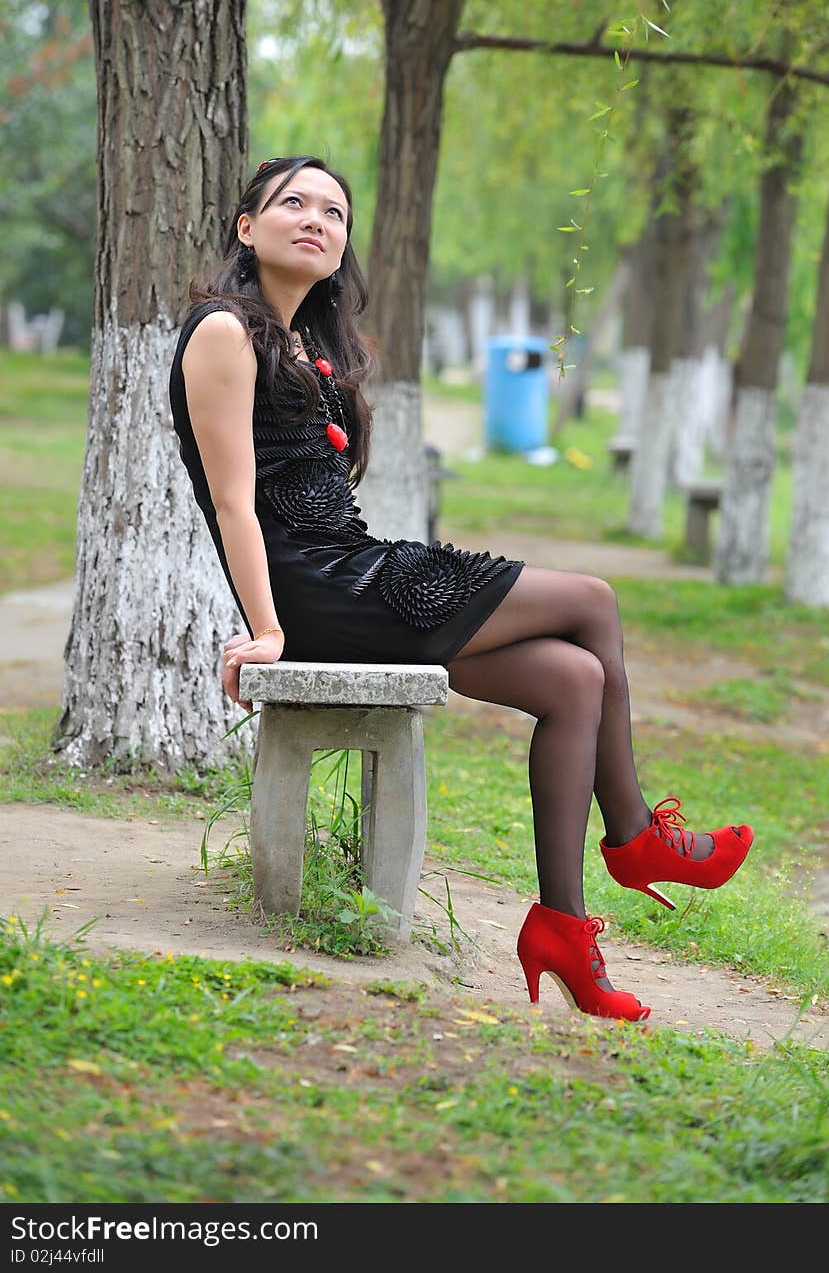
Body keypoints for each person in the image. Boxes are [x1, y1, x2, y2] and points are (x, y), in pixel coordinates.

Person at [169, 155, 754, 1024]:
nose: (316, 219)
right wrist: (268, 630)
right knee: (592, 599)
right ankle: (635, 839)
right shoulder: (222, 330)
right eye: (292, 203)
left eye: (335, 211)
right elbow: (232, 500)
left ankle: (562, 925)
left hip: (354, 573)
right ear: (246, 229)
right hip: (320, 592)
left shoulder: (303, 345)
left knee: (575, 680)